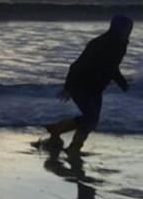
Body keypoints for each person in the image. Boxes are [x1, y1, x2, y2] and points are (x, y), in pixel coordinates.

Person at [45, 15, 132, 154]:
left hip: (96, 88)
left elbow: (112, 66)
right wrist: (68, 88)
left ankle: (58, 130)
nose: (128, 31)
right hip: (80, 85)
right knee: (90, 119)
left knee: (91, 120)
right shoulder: (100, 43)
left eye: (130, 28)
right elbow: (76, 66)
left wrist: (122, 83)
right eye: (127, 27)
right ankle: (73, 147)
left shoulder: (121, 45)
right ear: (117, 28)